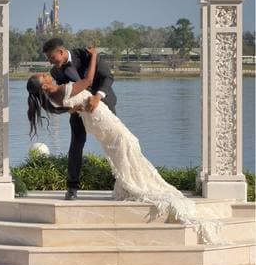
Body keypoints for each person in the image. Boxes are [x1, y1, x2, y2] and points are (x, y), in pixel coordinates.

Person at [27, 47, 221, 244]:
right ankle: (133, 184)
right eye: (43, 76)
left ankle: (126, 184)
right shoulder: (60, 90)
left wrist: (78, 106)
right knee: (128, 143)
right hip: (99, 117)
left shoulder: (53, 98)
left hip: (93, 116)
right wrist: (94, 55)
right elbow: (87, 81)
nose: (47, 73)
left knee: (121, 148)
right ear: (43, 87)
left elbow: (73, 104)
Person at [42, 38, 117, 200]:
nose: (50, 62)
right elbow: (65, 96)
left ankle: (120, 182)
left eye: (51, 58)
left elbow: (108, 77)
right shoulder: (56, 72)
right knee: (76, 145)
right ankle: (72, 188)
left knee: (114, 144)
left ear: (61, 52)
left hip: (103, 104)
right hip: (79, 111)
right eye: (48, 59)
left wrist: (97, 97)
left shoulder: (87, 55)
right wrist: (70, 109)